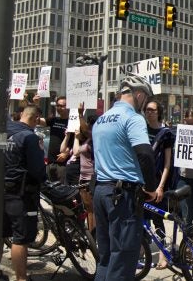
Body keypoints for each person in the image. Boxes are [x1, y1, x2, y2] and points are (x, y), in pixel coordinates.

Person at [93, 75, 158, 280]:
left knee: (106, 257)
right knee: (123, 259)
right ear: (139, 94)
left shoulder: (101, 119)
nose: (145, 104)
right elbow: (145, 154)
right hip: (122, 195)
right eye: (145, 99)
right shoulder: (133, 118)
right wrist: (151, 187)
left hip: (101, 191)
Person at [3, 105, 47, 281]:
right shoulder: (30, 137)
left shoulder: (2, 132)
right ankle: (21, 278)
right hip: (21, 193)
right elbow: (37, 170)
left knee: (0, 233)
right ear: (36, 119)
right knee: (20, 238)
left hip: (0, 190)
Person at [144, 99, 175, 270]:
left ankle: (163, 255)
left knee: (158, 221)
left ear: (159, 112)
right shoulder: (140, 129)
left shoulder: (166, 133)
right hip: (139, 182)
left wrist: (161, 187)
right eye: (147, 110)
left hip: (156, 183)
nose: (149, 112)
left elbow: (167, 164)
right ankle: (141, 252)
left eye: (152, 110)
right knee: (139, 219)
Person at [36, 95, 70, 183]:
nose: (59, 108)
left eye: (62, 106)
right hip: (51, 162)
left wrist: (67, 152)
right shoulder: (54, 120)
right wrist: (37, 104)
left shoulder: (72, 122)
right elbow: (37, 120)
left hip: (64, 163)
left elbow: (77, 140)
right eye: (58, 105)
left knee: (62, 191)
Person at [73, 103, 96, 231]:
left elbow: (76, 151)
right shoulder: (88, 140)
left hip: (89, 179)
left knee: (92, 210)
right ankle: (93, 236)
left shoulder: (93, 140)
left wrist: (80, 114)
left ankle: (93, 236)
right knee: (89, 210)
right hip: (85, 178)